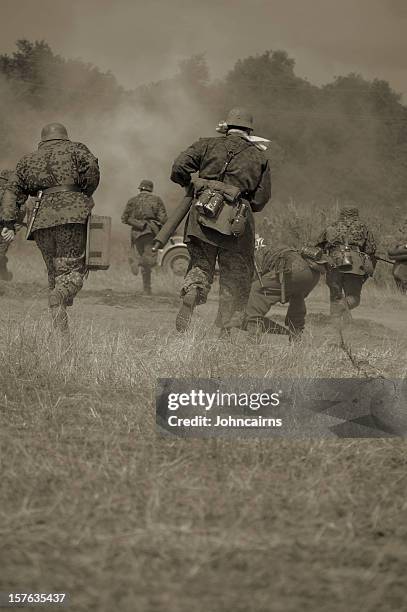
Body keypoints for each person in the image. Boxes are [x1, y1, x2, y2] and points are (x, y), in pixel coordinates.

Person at [170, 107, 271, 335]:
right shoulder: (259, 156)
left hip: (202, 215)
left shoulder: (205, 144)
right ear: (249, 129)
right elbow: (261, 199)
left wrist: (193, 185)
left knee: (200, 265)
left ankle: (194, 290)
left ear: (226, 127)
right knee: (234, 277)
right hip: (236, 221)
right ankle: (226, 330)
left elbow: (178, 168)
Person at [0, 122, 100, 335]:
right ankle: (60, 296)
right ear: (64, 136)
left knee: (54, 273)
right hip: (72, 215)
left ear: (42, 139)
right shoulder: (77, 149)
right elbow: (91, 169)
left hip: (41, 220)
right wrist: (84, 194)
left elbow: (12, 191)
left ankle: (60, 334)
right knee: (73, 270)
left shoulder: (28, 159)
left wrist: (8, 222)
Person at [244, 239, 329, 341]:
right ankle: (296, 338)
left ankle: (253, 336)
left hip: (294, 269)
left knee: (256, 290)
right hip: (313, 274)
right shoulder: (275, 245)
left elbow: (257, 276)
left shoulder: (256, 251)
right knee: (297, 297)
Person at [316, 206, 376, 319]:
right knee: (353, 298)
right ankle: (343, 318)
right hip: (355, 264)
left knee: (335, 297)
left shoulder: (331, 226)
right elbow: (371, 250)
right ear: (356, 214)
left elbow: (318, 246)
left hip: (333, 263)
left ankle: (335, 323)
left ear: (341, 214)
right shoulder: (363, 227)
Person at [121, 179, 167, 295]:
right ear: (151, 189)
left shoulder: (132, 200)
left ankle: (136, 263)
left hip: (136, 234)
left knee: (143, 259)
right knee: (150, 261)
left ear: (140, 188)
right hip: (150, 233)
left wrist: (137, 224)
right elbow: (163, 219)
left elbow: (124, 218)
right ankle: (146, 287)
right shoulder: (156, 200)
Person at [0, 169, 27, 280]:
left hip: (6, 226)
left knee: (1, 252)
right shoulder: (12, 194)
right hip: (7, 226)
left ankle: (3, 276)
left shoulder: (12, 194)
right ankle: (4, 275)